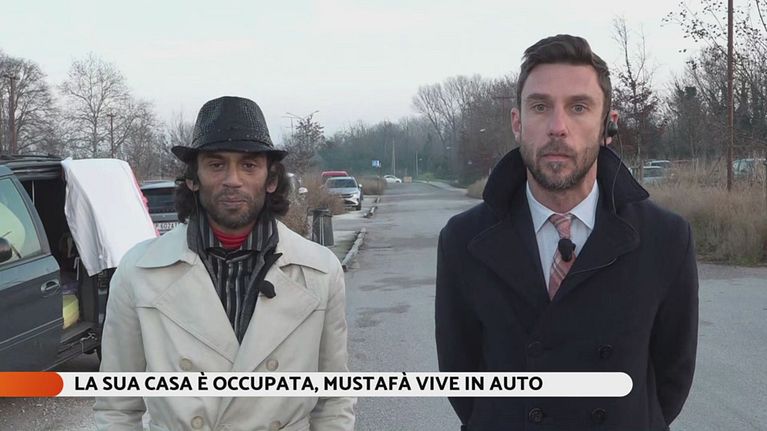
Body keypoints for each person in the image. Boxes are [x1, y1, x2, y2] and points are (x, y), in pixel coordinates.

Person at [435, 35, 698, 430]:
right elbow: (462, 378)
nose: (558, 128)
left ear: (607, 125)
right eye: (540, 107)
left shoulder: (666, 239)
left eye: (579, 107)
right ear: (517, 122)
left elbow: (670, 380)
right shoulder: (463, 240)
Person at [95, 96, 355, 431]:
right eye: (217, 165)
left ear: (271, 180)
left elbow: (334, 400)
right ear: (193, 178)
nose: (233, 179)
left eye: (249, 165)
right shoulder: (138, 271)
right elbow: (117, 406)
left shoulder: (320, 271)